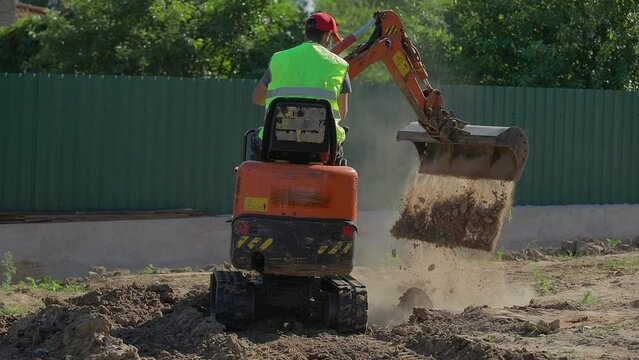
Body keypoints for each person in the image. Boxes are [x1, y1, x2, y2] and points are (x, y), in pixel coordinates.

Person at [250, 12, 352, 162]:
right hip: (324, 147)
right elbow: (342, 113)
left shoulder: (279, 59)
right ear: (328, 35)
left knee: (255, 138)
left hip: (276, 143)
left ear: (306, 33)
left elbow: (257, 98)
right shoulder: (339, 65)